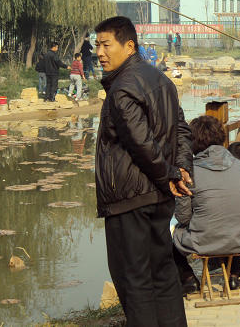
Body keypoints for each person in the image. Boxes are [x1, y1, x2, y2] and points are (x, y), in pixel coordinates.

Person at [94, 16, 193, 326]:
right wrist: (180, 170)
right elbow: (181, 130)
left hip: (130, 198)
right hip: (159, 196)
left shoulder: (122, 88)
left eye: (106, 45)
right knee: (162, 274)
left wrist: (170, 174)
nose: (99, 53)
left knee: (134, 280)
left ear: (129, 46)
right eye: (97, 45)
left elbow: (141, 144)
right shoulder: (161, 79)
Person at [173, 116, 240, 295]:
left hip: (205, 241)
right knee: (232, 221)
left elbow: (183, 217)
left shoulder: (189, 172)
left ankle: (189, 279)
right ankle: (233, 275)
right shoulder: (238, 166)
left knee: (172, 235)